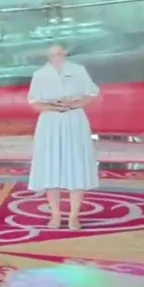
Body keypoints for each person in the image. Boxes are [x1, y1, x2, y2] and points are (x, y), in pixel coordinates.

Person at [27, 42, 100, 229]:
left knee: (76, 165)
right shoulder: (40, 74)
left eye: (59, 53)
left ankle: (74, 215)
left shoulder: (78, 70)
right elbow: (34, 102)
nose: (56, 57)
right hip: (50, 123)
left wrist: (75, 104)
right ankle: (55, 214)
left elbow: (92, 94)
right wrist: (51, 106)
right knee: (51, 166)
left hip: (74, 120)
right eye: (53, 54)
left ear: (66, 53)